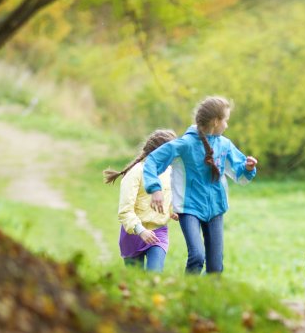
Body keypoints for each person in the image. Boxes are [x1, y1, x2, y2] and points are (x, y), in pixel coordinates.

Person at [143, 96, 258, 274]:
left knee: (216, 267)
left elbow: (239, 172)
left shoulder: (224, 144)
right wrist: (155, 189)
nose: (227, 125)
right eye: (225, 120)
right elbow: (152, 160)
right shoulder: (185, 145)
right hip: (189, 208)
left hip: (216, 208)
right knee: (197, 256)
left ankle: (209, 298)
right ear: (215, 122)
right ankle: (190, 296)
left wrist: (248, 167)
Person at [103, 129, 178, 272]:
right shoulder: (135, 173)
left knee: (154, 274)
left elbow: (167, 198)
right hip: (133, 235)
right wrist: (141, 230)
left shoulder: (170, 172)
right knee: (134, 282)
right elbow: (125, 212)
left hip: (158, 233)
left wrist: (172, 211)